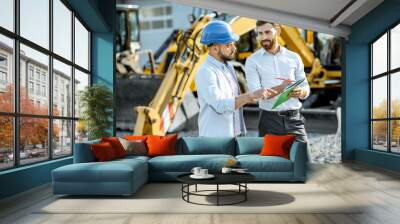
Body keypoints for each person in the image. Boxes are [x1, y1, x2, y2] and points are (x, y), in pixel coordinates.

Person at [196, 20, 281, 137]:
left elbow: (234, 100)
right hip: (216, 140)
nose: (234, 48)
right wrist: (250, 96)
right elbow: (220, 105)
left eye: (233, 44)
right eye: (228, 45)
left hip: (234, 135)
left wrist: (256, 96)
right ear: (215, 49)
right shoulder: (206, 72)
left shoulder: (228, 67)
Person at [245, 20, 311, 142]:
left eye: (267, 32)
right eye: (260, 33)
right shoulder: (252, 61)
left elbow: (305, 86)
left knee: (303, 159)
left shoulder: (294, 57)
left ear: (278, 31)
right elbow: (256, 94)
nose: (263, 37)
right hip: (269, 121)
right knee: (271, 161)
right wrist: (282, 87)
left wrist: (301, 92)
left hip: (294, 119)